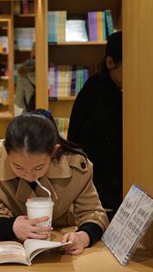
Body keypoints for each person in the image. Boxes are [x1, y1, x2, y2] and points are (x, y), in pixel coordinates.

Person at [0, 110, 109, 255]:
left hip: (62, 243)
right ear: (6, 151)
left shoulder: (76, 167)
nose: (29, 175)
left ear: (53, 151)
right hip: (14, 245)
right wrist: (12, 226)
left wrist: (82, 237)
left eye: (38, 167)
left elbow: (93, 213)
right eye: (18, 167)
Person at [67, 31, 123, 219]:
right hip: (100, 190)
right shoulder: (100, 94)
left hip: (100, 186)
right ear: (110, 63)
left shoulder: (100, 87)